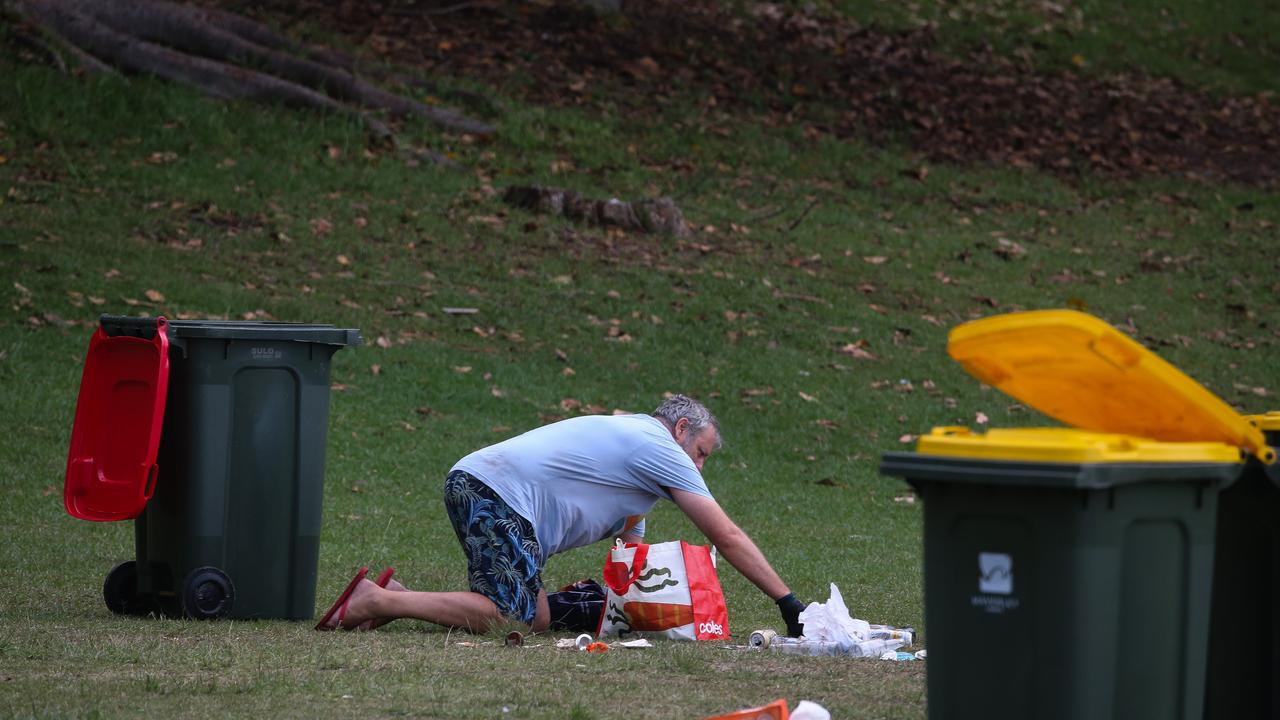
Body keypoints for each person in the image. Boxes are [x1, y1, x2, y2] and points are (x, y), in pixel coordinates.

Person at [315, 394, 807, 636]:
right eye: (700, 452)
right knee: (504, 615)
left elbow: (629, 555)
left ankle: (403, 597)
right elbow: (727, 536)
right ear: (681, 428)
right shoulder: (660, 449)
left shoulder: (639, 458)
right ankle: (374, 601)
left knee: (540, 615)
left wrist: (628, 604)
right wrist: (788, 603)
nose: (698, 467)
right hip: (496, 494)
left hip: (488, 488)